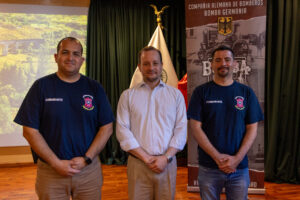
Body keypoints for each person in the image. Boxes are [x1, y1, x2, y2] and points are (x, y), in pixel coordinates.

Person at [14, 37, 114, 199]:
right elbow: (29, 131)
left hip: (88, 172)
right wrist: (55, 163)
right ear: (56, 57)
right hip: (51, 173)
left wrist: (86, 159)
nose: (70, 58)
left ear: (82, 60)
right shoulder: (41, 87)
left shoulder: (94, 87)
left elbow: (107, 127)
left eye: (76, 54)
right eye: (65, 52)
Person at [187, 45, 263, 200]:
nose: (223, 63)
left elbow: (252, 128)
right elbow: (195, 127)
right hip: (209, 167)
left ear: (235, 64)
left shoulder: (246, 93)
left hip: (239, 168)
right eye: (218, 60)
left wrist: (236, 159)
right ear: (212, 64)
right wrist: (217, 157)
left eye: (227, 59)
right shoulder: (200, 92)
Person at [116, 46, 187, 200]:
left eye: (155, 63)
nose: (151, 67)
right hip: (138, 165)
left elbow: (181, 129)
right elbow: (122, 131)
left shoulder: (175, 95)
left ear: (162, 65)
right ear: (139, 67)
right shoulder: (127, 96)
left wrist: (166, 158)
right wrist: (147, 159)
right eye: (146, 63)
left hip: (167, 164)